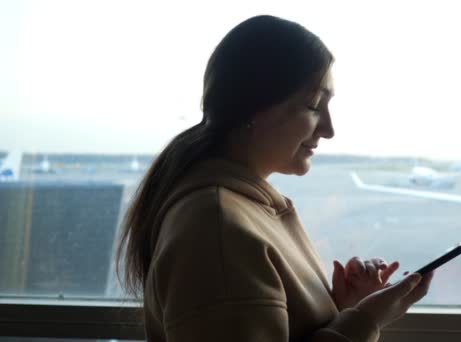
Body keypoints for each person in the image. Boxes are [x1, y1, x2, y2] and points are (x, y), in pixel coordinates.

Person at [116, 15, 433, 341]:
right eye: (313, 105)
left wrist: (341, 308)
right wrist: (365, 321)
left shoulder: (237, 210)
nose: (329, 129)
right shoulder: (218, 228)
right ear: (256, 106)